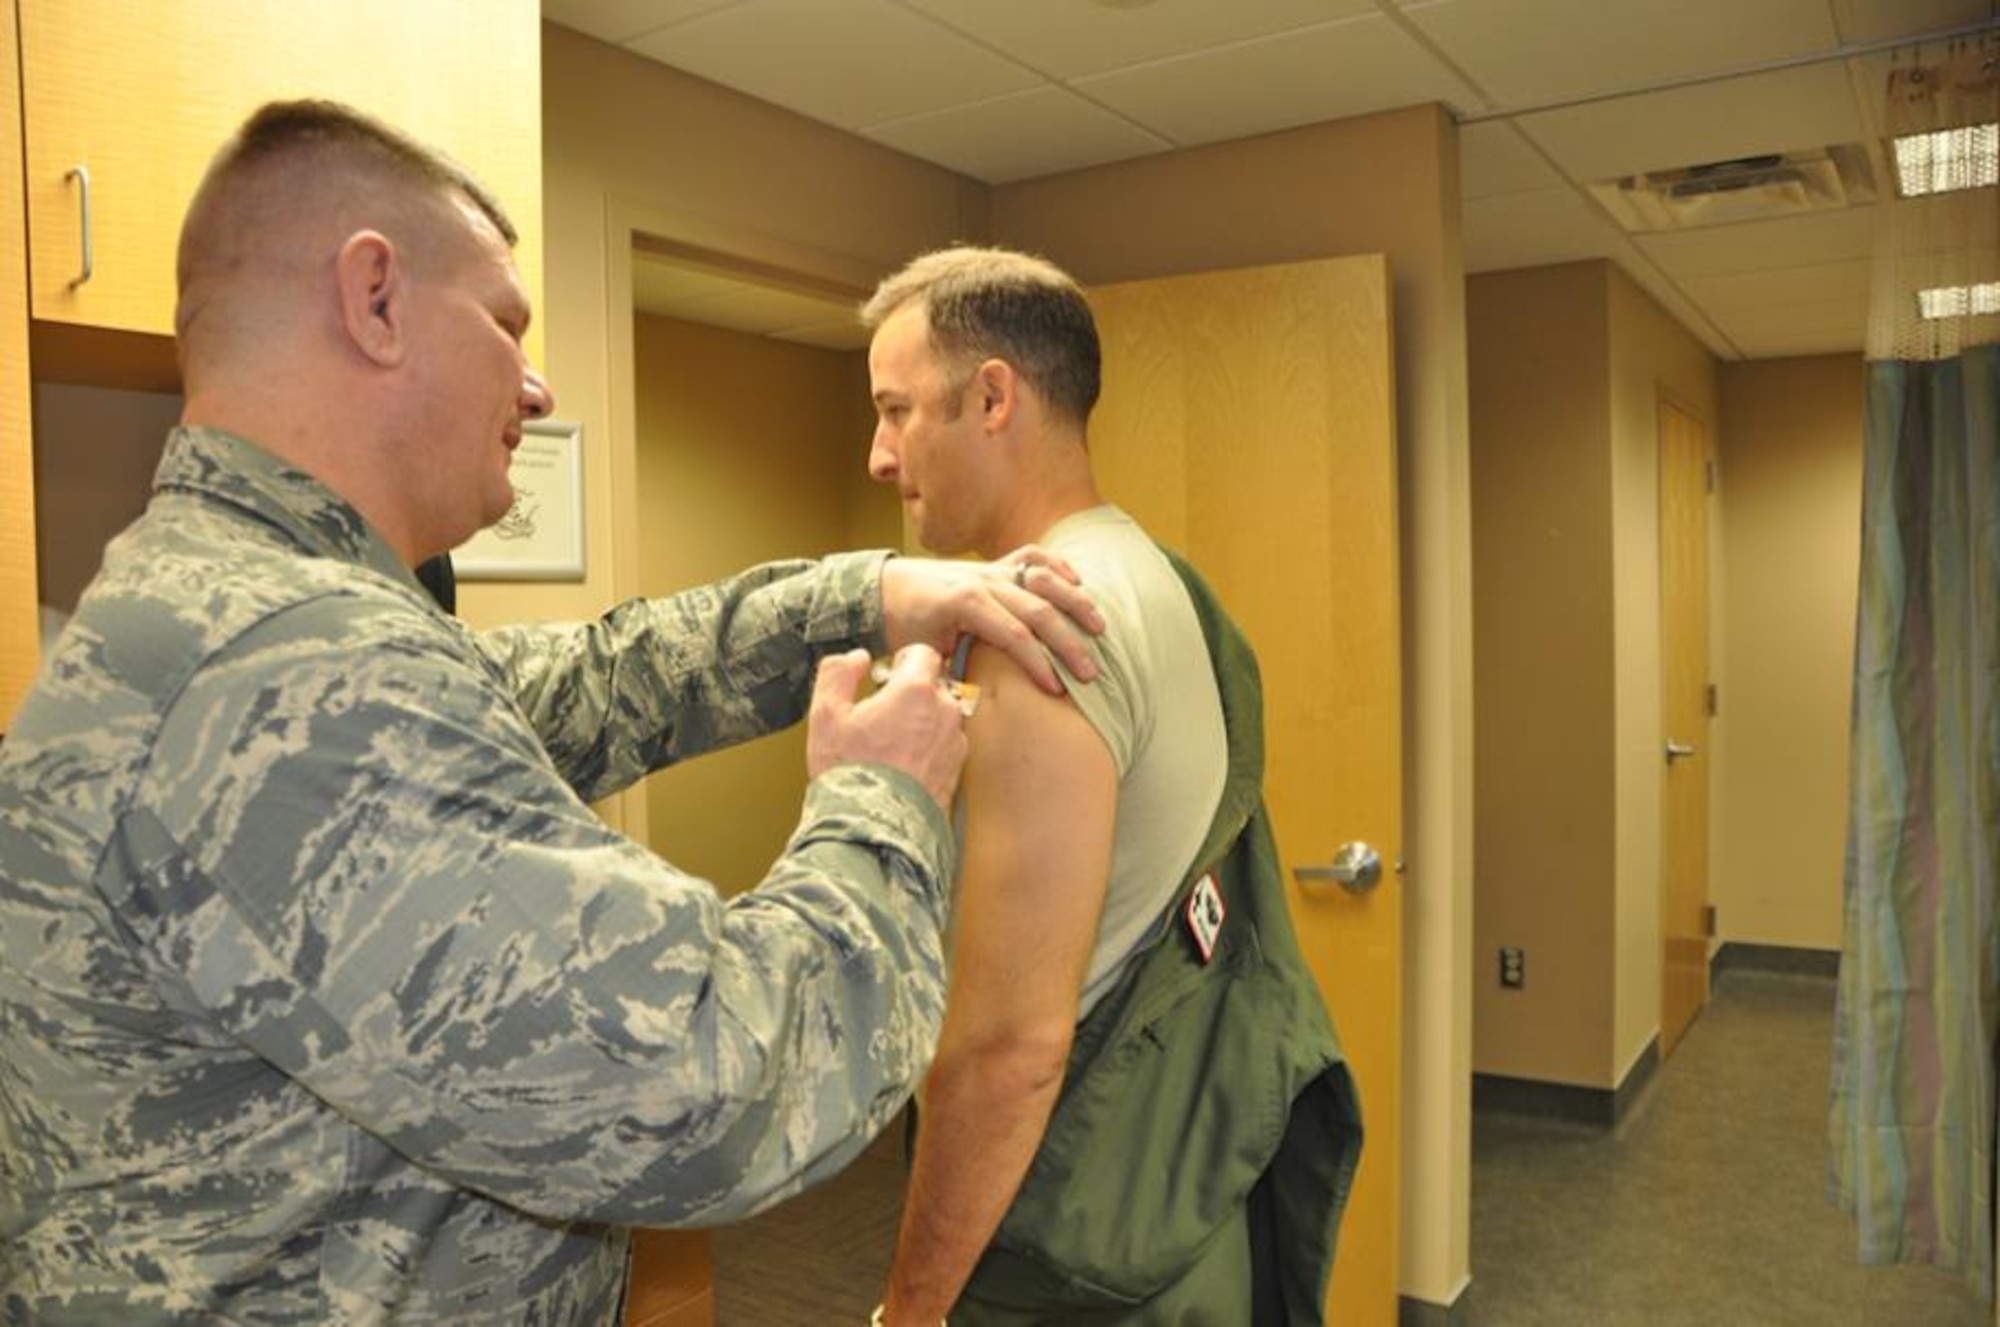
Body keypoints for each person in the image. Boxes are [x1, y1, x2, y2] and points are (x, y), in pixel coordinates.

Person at [0, 102, 1107, 1324]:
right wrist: (880, 797)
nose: (535, 386)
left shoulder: (225, 599)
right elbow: (711, 1084)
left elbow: (596, 679)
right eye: (507, 325)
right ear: (373, 299)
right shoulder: (293, 673)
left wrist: (866, 596)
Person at [862, 247, 1362, 1325]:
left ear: (993, 396)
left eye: (896, 410)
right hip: (1179, 1209)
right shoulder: (1156, 575)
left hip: (1071, 1246)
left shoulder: (1042, 628)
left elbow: (1008, 1049)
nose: (877, 453)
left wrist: (908, 1308)